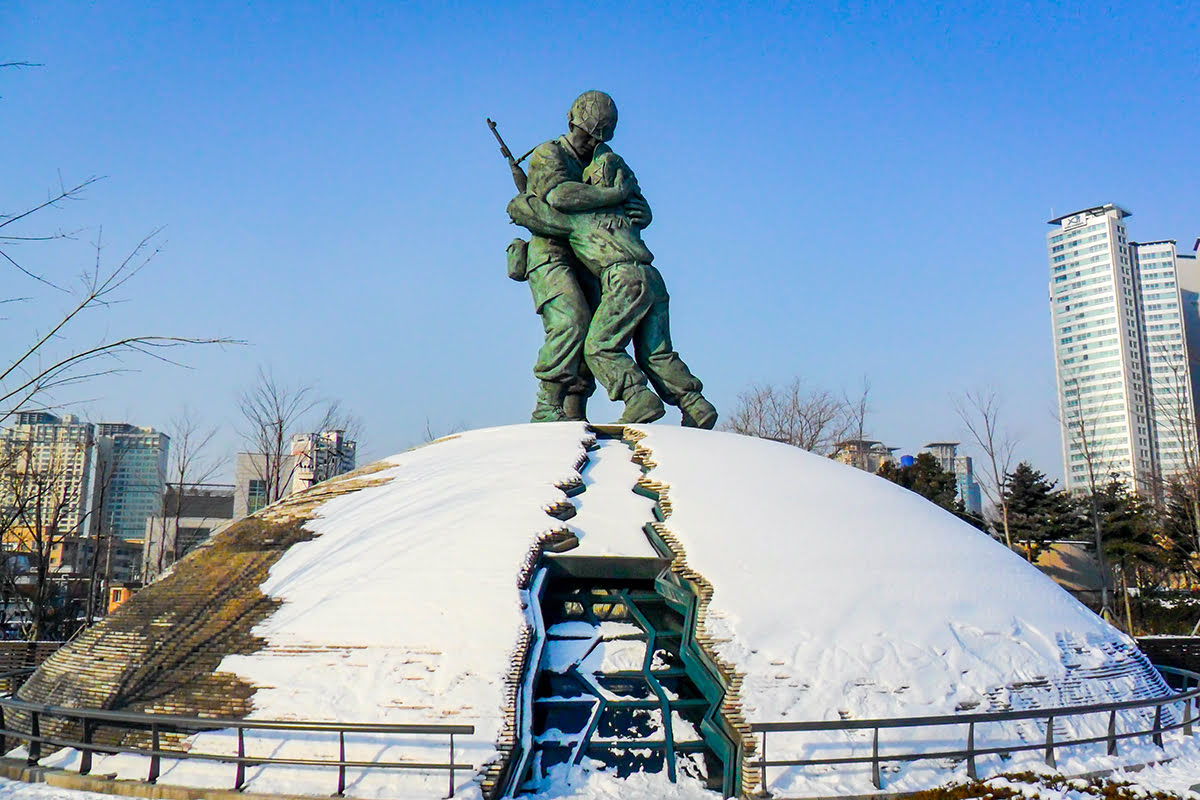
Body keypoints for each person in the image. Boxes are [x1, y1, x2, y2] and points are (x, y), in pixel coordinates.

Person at [509, 149, 717, 427]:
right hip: (653, 279)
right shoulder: (626, 215)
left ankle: (637, 397)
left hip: (623, 281)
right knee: (656, 352)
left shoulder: (580, 219)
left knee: (598, 347)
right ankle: (694, 403)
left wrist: (524, 201)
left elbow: (534, 211)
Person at [507, 91, 646, 422]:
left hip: (592, 254)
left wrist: (639, 209)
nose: (589, 142)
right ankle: (547, 405)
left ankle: (573, 407)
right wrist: (612, 196)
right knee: (571, 321)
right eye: (585, 134)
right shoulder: (548, 154)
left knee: (594, 330)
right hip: (550, 251)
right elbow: (559, 196)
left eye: (597, 136)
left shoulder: (604, 159)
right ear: (571, 123)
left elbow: (635, 203)